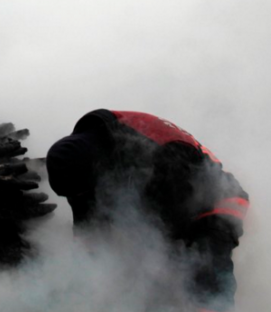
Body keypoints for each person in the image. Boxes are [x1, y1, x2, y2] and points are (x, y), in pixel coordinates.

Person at [46, 109, 249, 312]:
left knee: (205, 268)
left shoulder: (160, 153)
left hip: (219, 200)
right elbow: (90, 232)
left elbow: (170, 229)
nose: (81, 198)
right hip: (169, 202)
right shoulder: (80, 161)